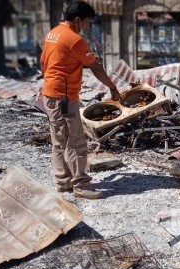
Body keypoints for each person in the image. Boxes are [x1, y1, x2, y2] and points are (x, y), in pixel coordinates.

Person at [40, 1, 120, 199]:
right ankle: (81, 186)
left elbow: (43, 62)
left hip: (50, 94)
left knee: (59, 140)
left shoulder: (53, 34)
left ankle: (63, 182)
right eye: (86, 22)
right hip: (65, 98)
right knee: (76, 141)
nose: (86, 27)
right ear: (77, 19)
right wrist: (112, 87)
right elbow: (95, 67)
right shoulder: (75, 39)